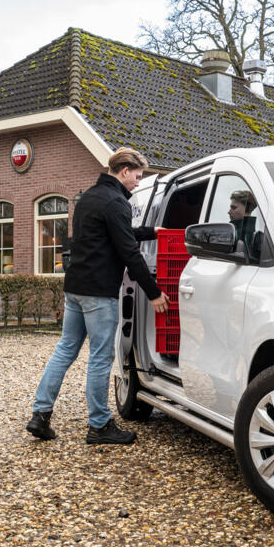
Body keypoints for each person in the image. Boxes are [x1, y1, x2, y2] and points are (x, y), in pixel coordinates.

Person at [26, 148, 170, 445]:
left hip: (75, 288)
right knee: (101, 357)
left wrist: (151, 232)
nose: (138, 182)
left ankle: (40, 414)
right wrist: (153, 292)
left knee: (65, 349)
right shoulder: (117, 202)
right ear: (125, 170)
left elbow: (112, 234)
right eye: (137, 176)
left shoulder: (89, 197)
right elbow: (128, 251)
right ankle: (100, 425)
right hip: (99, 293)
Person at [228, 189, 261, 262]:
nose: (229, 212)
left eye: (234, 208)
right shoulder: (253, 235)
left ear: (247, 208)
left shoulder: (237, 234)